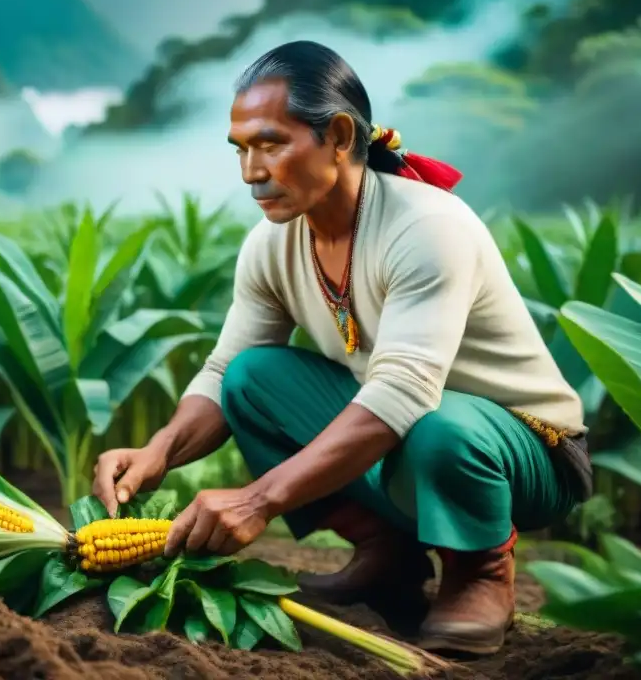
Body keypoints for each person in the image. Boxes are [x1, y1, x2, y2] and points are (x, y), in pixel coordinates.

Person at [91, 40, 591, 656]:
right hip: (413, 432)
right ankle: (386, 553)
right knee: (251, 378)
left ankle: (481, 570)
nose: (251, 172)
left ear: (339, 135)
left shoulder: (428, 227)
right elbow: (223, 372)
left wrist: (257, 500)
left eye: (271, 144)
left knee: (440, 426)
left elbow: (404, 391)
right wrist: (159, 450)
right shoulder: (273, 246)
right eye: (241, 150)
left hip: (527, 449)